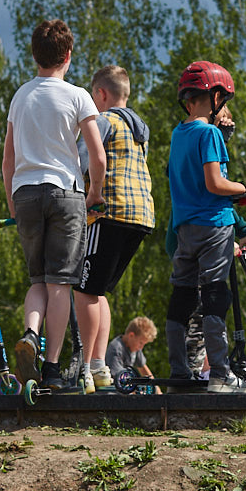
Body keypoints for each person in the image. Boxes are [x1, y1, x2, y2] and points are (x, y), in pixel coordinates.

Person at [5, 19, 106, 392]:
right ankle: (50, 369)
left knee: (37, 280)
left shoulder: (21, 96)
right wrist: (95, 192)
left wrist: (12, 202)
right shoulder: (77, 95)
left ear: (35, 56)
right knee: (60, 283)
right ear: (68, 55)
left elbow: (8, 159)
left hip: (26, 193)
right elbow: (97, 155)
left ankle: (31, 334)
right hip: (65, 192)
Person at [164, 61, 246, 393]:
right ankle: (220, 373)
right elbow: (215, 183)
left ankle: (179, 372)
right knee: (216, 295)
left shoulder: (178, 134)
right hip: (214, 224)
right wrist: (243, 188)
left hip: (184, 228)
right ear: (216, 97)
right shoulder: (210, 134)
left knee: (183, 296)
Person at [73, 65, 154, 393]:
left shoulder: (103, 121)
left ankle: (84, 366)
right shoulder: (140, 129)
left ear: (101, 94)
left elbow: (82, 161)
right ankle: (99, 364)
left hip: (110, 211)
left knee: (84, 289)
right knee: (98, 290)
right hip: (141, 215)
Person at [106, 316, 159, 389]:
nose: (141, 347)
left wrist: (156, 388)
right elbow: (119, 379)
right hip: (113, 390)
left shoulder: (134, 347)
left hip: (126, 387)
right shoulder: (116, 349)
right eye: (141, 343)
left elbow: (143, 368)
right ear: (131, 335)